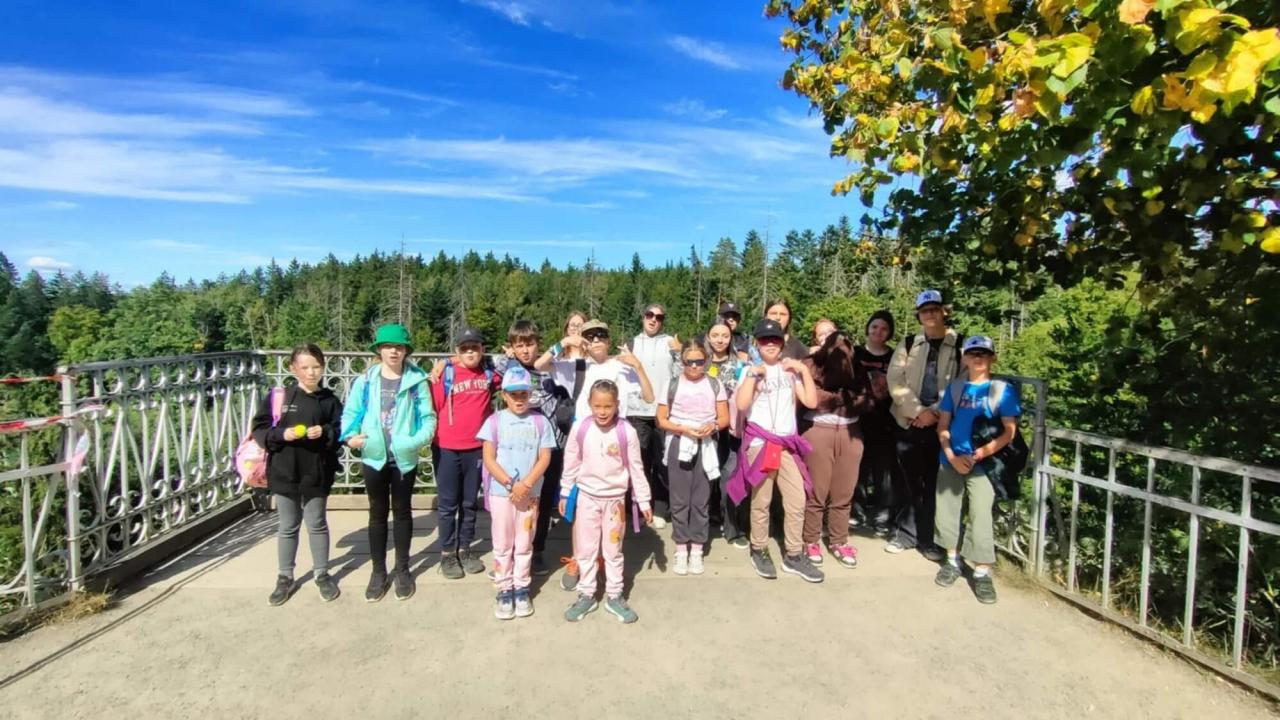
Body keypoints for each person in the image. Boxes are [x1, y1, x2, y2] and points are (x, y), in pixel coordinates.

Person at [535, 318, 654, 591]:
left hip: (615, 443)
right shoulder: (576, 366)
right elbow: (540, 365)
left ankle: (606, 561)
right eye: (590, 336)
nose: (597, 340)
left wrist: (638, 366)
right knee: (580, 509)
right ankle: (580, 560)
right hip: (585, 442)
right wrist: (564, 342)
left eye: (601, 335)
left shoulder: (622, 367)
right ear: (584, 341)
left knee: (612, 508)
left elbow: (649, 397)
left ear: (609, 340)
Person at [340, 323, 436, 602]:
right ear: (379, 350)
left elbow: (428, 418)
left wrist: (413, 442)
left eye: (399, 347)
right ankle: (378, 572)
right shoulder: (365, 381)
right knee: (377, 513)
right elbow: (351, 413)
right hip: (373, 456)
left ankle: (403, 570)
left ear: (406, 351)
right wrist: (349, 438)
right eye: (388, 346)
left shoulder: (417, 381)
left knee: (403, 512)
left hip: (403, 458)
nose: (393, 351)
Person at [726, 319, 821, 583]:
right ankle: (759, 548)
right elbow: (742, 404)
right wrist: (752, 377)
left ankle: (794, 554)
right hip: (761, 444)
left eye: (775, 340)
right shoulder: (750, 371)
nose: (770, 344)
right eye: (764, 340)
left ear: (782, 343)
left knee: (796, 499)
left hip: (786, 444)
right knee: (762, 500)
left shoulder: (790, 371)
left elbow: (811, 400)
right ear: (757, 343)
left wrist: (803, 370)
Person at [253, 343, 344, 606]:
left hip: (317, 471)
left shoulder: (329, 400)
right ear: (293, 369)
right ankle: (285, 576)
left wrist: (325, 432)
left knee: (317, 523)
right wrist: (282, 434)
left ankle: (321, 573)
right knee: (288, 525)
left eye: (316, 366)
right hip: (285, 471)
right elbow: (259, 430)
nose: (311, 372)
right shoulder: (279, 397)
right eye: (304, 367)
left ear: (323, 367)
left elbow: (340, 430)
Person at [934, 336, 1021, 604]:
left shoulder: (1002, 390)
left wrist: (980, 453)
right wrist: (951, 455)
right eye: (973, 353)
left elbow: (1009, 431)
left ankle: (982, 571)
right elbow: (943, 425)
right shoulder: (955, 388)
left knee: (980, 513)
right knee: (947, 510)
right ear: (965, 358)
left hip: (984, 463)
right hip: (951, 458)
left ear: (993, 358)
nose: (978, 357)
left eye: (984, 353)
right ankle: (952, 561)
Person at [559, 380, 653, 623]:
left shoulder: (626, 431)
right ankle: (586, 594)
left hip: (615, 502)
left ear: (617, 405)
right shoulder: (581, 428)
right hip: (587, 499)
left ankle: (614, 595)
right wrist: (565, 491)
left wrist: (643, 500)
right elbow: (571, 461)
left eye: (608, 406)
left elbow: (636, 467)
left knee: (613, 551)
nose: (602, 412)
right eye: (597, 406)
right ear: (589, 404)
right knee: (586, 550)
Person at [886, 290, 966, 561]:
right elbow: (895, 379)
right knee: (907, 480)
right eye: (924, 310)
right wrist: (918, 411)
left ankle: (930, 539)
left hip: (942, 425)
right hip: (908, 421)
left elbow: (962, 382)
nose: (930, 314)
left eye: (934, 309)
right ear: (919, 315)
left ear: (944, 311)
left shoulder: (960, 345)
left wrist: (935, 412)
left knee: (935, 484)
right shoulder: (909, 344)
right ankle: (905, 534)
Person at [478, 366, 556, 619]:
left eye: (524, 393)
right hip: (502, 493)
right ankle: (504, 587)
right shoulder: (494, 422)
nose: (519, 399)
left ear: (530, 394)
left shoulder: (540, 422)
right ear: (504, 396)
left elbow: (544, 457)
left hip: (530, 494)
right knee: (502, 542)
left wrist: (527, 484)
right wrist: (511, 485)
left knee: (524, 542)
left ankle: (522, 587)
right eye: (514, 394)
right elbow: (489, 458)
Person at [430, 327, 501, 580]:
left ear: (482, 350)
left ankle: (465, 549)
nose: (470, 352)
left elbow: (512, 373)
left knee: (470, 503)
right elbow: (435, 405)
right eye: (464, 348)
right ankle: (447, 553)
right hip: (447, 447)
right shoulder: (445, 374)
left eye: (475, 347)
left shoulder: (489, 374)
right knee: (448, 504)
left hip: (477, 448)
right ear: (457, 351)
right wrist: (446, 363)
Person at [656, 339, 729, 575]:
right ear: (682, 361)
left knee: (701, 499)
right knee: (679, 500)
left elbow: (724, 418)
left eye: (699, 361)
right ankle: (681, 548)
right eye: (690, 362)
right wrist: (682, 429)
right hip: (680, 442)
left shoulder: (714, 384)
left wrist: (713, 426)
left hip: (706, 444)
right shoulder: (672, 384)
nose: (695, 366)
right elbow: (661, 419)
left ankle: (697, 548)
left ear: (706, 361)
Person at [800, 332, 873, 569]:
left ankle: (839, 541)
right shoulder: (810, 364)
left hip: (850, 433)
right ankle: (810, 539)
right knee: (816, 492)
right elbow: (812, 399)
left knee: (844, 493)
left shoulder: (857, 368)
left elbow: (867, 401)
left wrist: (833, 399)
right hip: (818, 431)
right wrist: (844, 398)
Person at [626, 303, 680, 528]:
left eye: (659, 317)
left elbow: (679, 373)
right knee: (639, 462)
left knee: (663, 462)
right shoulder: (631, 343)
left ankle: (660, 508)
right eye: (650, 315)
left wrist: (679, 352)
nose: (654, 320)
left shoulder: (670, 343)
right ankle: (639, 507)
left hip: (663, 410)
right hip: (636, 410)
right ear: (643, 317)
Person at [853, 310, 897, 535]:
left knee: (884, 470)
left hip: (887, 420)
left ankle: (882, 515)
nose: (878, 332)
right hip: (859, 419)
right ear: (868, 329)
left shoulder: (895, 356)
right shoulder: (855, 353)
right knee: (858, 467)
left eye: (884, 328)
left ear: (890, 332)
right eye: (874, 327)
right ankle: (857, 511)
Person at [705, 320, 747, 548]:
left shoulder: (739, 364)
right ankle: (708, 519)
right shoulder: (700, 361)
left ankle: (732, 527)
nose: (720, 340)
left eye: (725, 335)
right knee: (706, 477)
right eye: (715, 335)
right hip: (705, 429)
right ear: (708, 337)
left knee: (728, 477)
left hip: (731, 430)